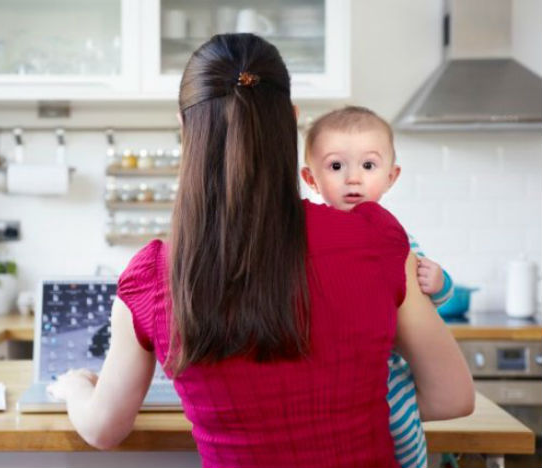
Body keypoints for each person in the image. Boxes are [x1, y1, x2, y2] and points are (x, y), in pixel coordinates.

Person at [47, 34, 474, 468]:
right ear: (290, 119)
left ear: (184, 126)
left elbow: (104, 429)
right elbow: (453, 396)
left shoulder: (152, 275)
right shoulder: (375, 238)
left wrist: (76, 388)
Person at [301, 105, 455, 468]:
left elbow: (438, 299)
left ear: (390, 176)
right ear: (311, 178)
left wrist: (439, 281)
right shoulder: (307, 239)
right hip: (329, 370)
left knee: (402, 428)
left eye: (368, 166)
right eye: (336, 166)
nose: (353, 179)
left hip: (388, 369)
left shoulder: (396, 239)